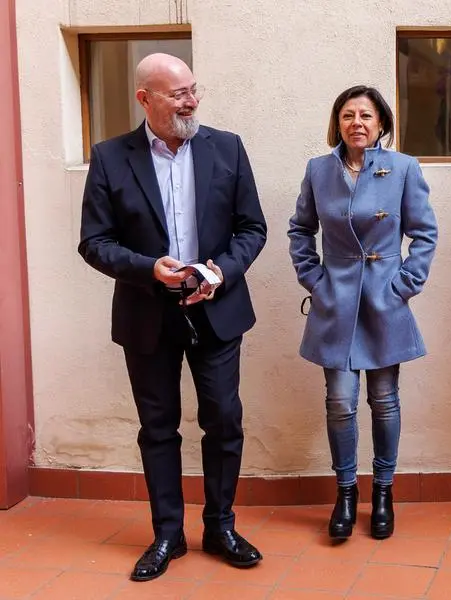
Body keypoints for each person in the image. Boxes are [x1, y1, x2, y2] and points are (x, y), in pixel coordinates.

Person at [78, 53, 267, 581]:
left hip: (217, 310)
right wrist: (147, 269)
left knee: (224, 419)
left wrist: (220, 273)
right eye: (177, 93)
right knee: (157, 428)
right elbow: (93, 243)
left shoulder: (226, 147)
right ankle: (167, 535)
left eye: (193, 89)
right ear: (145, 99)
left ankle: (221, 526)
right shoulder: (111, 157)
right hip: (147, 314)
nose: (191, 100)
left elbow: (253, 228)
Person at [288, 85, 437, 540]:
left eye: (366, 116)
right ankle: (346, 492)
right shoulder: (319, 169)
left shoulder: (404, 169)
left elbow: (425, 233)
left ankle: (385, 492)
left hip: (383, 300)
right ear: (338, 122)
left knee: (385, 401)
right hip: (334, 302)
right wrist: (315, 279)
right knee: (339, 401)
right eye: (348, 114)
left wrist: (405, 284)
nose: (357, 122)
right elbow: (299, 230)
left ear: (381, 125)